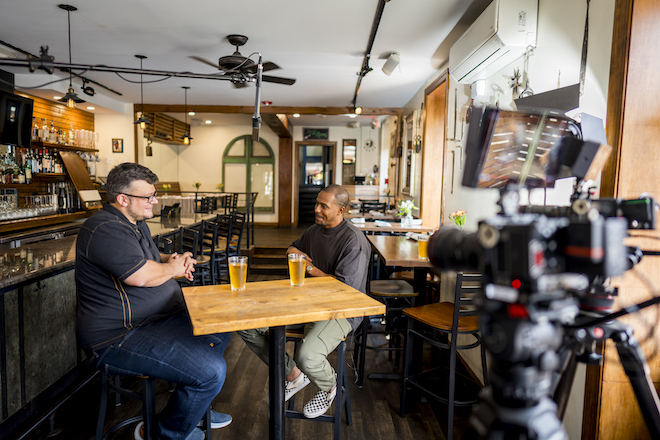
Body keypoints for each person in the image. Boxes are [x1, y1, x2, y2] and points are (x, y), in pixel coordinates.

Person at [75, 163, 231, 440]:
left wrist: (166, 259)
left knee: (221, 320)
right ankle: (160, 433)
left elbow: (141, 256)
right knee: (212, 371)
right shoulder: (103, 228)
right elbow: (140, 276)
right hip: (119, 337)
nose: (155, 201)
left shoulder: (134, 222)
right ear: (123, 199)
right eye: (147, 197)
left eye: (153, 194)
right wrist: (177, 268)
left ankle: (195, 408)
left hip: (157, 320)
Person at [238, 184, 371, 418]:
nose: (316, 209)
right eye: (316, 203)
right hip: (307, 302)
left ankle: (330, 386)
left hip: (341, 310)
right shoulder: (315, 230)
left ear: (340, 210)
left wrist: (307, 267)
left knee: (307, 356)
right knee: (245, 324)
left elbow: (343, 288)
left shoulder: (354, 241)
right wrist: (293, 253)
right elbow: (293, 247)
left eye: (323, 206)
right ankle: (294, 376)